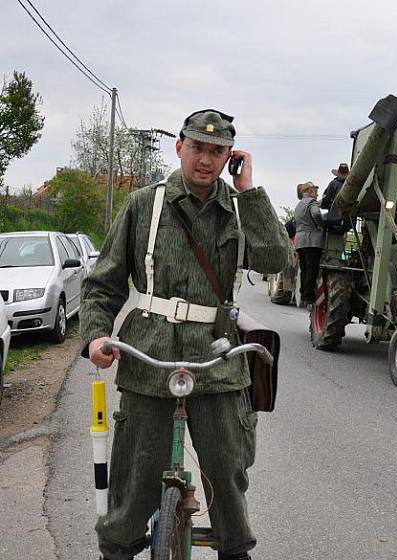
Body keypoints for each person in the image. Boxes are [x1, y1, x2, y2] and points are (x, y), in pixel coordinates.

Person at [80, 109, 290, 560]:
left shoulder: (237, 210)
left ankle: (235, 552)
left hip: (216, 359)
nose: (205, 160)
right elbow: (103, 283)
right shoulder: (144, 205)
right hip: (149, 355)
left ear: (229, 158)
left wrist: (249, 193)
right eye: (197, 148)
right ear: (179, 147)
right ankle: (116, 551)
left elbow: (276, 259)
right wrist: (96, 336)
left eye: (218, 152)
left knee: (227, 471)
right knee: (135, 477)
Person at [294, 181, 324, 306]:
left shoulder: (299, 205)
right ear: (310, 192)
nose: (317, 195)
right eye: (315, 192)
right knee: (313, 268)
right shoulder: (312, 203)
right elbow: (316, 214)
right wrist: (321, 225)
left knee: (304, 268)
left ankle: (303, 293)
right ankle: (309, 295)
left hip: (300, 240)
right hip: (312, 240)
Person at [320, 162, 350, 234]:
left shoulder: (333, 184)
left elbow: (325, 200)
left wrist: (323, 205)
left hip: (333, 220)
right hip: (348, 221)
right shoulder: (351, 185)